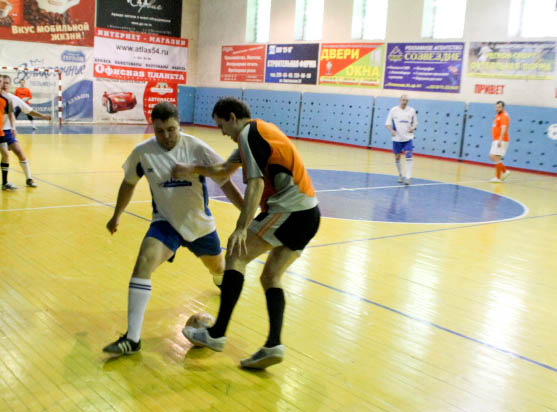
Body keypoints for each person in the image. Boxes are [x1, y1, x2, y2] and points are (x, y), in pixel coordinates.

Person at [178, 97, 321, 370]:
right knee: (270, 277)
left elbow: (255, 185)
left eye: (221, 125)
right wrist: (192, 168)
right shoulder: (259, 131)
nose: (222, 132)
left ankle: (217, 333)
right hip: (310, 214)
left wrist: (242, 228)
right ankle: (273, 345)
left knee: (235, 254)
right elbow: (223, 170)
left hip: (290, 211)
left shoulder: (248, 135)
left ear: (232, 117)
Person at [102, 102, 244, 356]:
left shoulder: (196, 148)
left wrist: (247, 211)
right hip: (165, 223)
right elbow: (128, 184)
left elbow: (225, 181)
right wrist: (116, 216)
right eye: (160, 131)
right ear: (153, 128)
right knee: (143, 263)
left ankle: (219, 280)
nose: (166, 136)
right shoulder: (142, 153)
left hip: (199, 225)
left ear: (179, 125)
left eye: (171, 129)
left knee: (218, 268)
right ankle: (132, 339)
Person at [0, 74, 51, 189]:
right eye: (2, 82)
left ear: (10, 85)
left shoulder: (12, 99)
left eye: (7, 83)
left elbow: (29, 110)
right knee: (5, 154)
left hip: (6, 132)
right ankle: (5, 182)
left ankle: (29, 179)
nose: (4, 85)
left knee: (19, 152)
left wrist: (43, 116)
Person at [385, 95, 418, 185]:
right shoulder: (393, 110)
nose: (404, 101)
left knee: (409, 155)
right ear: (400, 100)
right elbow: (387, 124)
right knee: (397, 157)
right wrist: (392, 131)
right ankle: (400, 175)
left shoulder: (412, 111)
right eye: (403, 100)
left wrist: (413, 128)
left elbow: (415, 123)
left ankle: (408, 177)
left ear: (408, 101)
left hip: (408, 138)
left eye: (406, 100)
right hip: (397, 139)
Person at [489, 101, 511, 183]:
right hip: (496, 139)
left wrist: (500, 139)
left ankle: (499, 177)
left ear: (503, 107)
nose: (497, 108)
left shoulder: (504, 116)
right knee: (493, 156)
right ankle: (504, 172)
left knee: (495, 156)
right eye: (496, 107)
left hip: (501, 140)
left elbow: (504, 128)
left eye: (499, 107)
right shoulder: (498, 115)